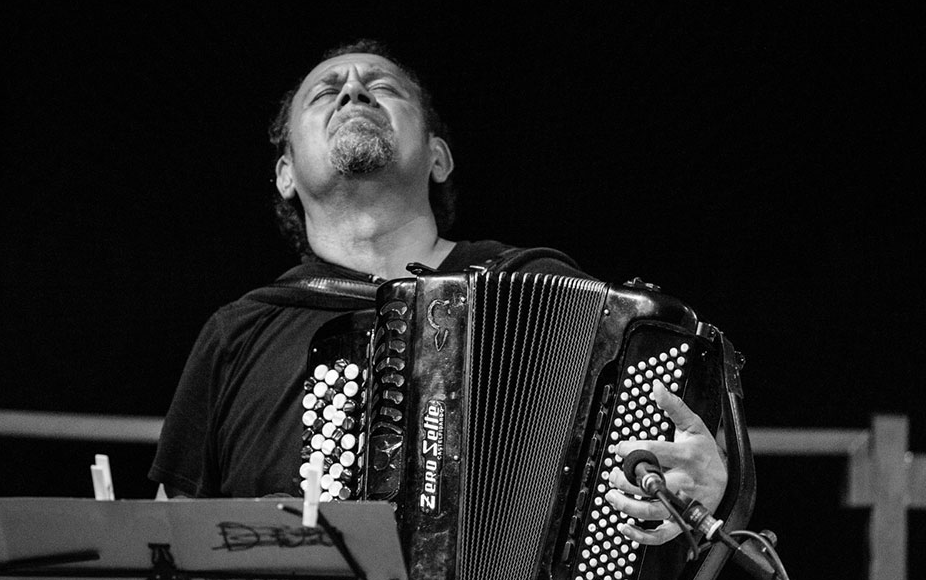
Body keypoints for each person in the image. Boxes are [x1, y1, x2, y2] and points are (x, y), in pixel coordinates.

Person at [149, 39, 727, 547]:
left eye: (382, 87)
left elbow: (674, 453)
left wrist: (705, 477)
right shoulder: (239, 333)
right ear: (285, 174)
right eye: (325, 93)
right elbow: (168, 545)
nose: (353, 91)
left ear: (438, 158)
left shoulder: (537, 285)